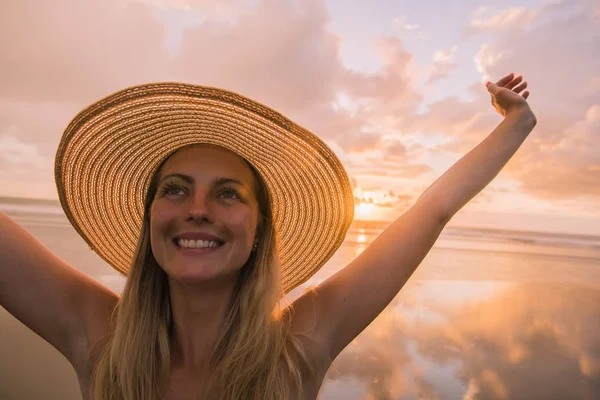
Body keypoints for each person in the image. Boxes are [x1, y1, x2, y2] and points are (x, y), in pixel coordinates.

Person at [0, 73, 536, 400]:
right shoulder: (100, 337)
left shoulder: (298, 347)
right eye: (176, 190)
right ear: (149, 221)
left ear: (259, 232)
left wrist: (514, 124)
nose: (198, 211)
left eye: (229, 194)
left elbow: (430, 212)